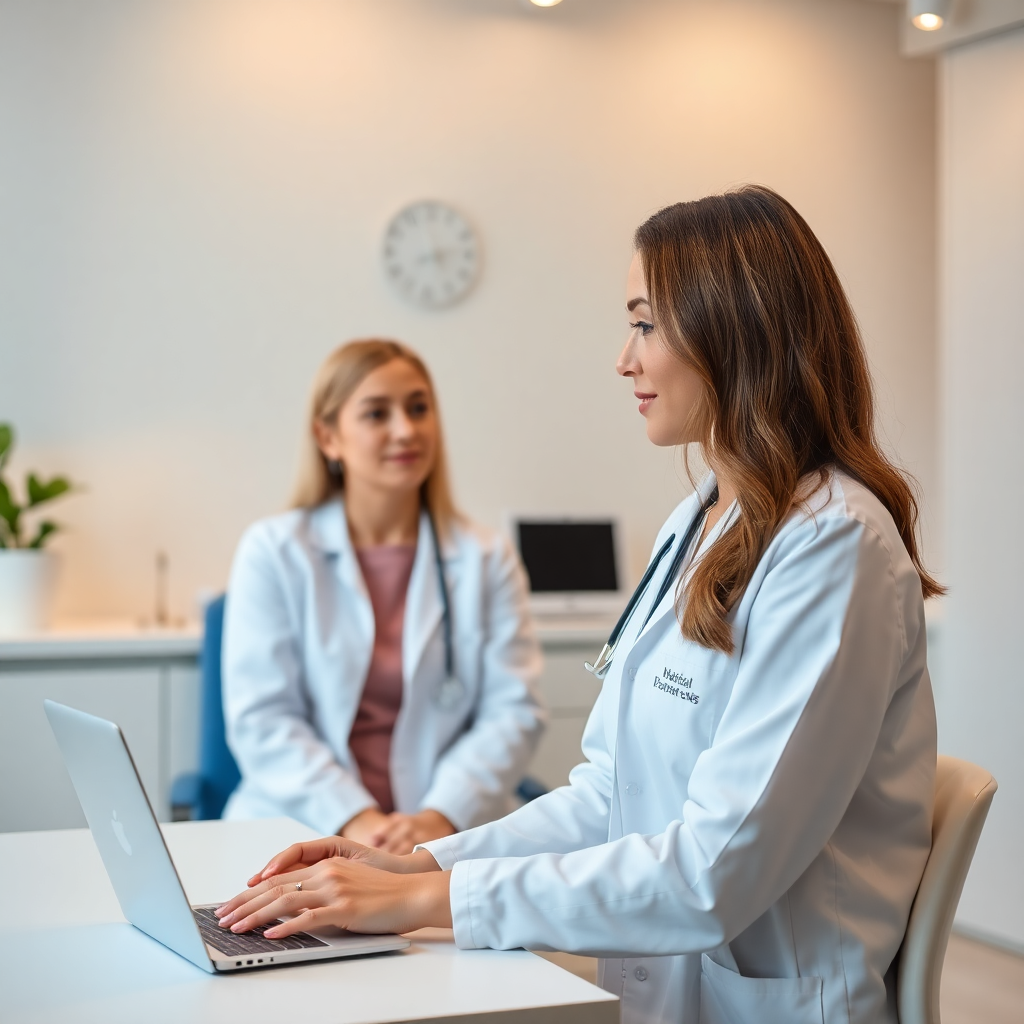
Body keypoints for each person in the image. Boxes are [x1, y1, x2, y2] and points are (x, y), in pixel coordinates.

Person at [215, 188, 940, 1024]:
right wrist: (416, 865)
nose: (624, 361)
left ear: (730, 329)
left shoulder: (832, 546)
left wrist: (427, 903)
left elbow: (715, 873)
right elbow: (611, 793)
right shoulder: (702, 519)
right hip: (665, 988)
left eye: (644, 324)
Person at [221, 339, 545, 855]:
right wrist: (357, 819)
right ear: (328, 437)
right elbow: (264, 719)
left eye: (419, 408)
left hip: (441, 835)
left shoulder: (485, 556)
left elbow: (512, 712)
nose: (405, 430)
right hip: (299, 826)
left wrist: (438, 816)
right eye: (377, 413)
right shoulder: (275, 550)